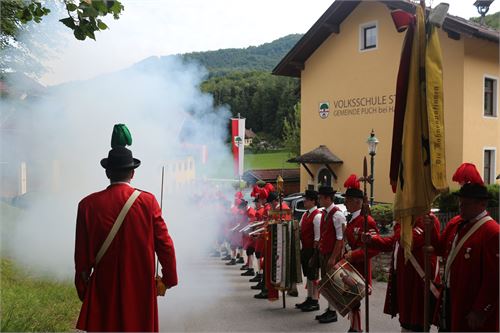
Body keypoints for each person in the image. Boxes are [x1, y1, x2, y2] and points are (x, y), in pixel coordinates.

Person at [74, 143, 178, 332]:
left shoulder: (87, 205)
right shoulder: (148, 202)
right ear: (132, 173)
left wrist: (84, 290)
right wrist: (168, 280)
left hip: (102, 288)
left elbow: (81, 256)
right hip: (141, 289)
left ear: (107, 173)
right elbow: (165, 245)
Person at [434, 163, 499, 332]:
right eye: (460, 203)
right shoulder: (459, 224)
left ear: (482, 205)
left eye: (466, 204)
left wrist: (480, 310)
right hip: (451, 299)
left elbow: (494, 278)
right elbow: (441, 249)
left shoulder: (492, 232)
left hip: (472, 308)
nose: (461, 207)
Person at [363, 212, 440, 332]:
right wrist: (372, 240)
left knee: (417, 320)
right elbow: (393, 242)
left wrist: (399, 225)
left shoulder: (427, 219)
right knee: (406, 320)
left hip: (418, 279)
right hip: (404, 278)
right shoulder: (407, 219)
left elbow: (406, 241)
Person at [342, 174, 379, 332]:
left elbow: (374, 247)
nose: (345, 203)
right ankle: (354, 327)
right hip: (349, 266)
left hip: (360, 267)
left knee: (355, 301)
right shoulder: (351, 220)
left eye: (348, 200)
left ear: (357, 202)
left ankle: (356, 329)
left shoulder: (367, 221)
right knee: (351, 300)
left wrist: (354, 255)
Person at [316, 185, 346, 324]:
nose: (319, 200)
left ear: (328, 198)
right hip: (325, 252)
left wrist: (333, 257)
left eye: (321, 198)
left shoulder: (337, 214)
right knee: (327, 283)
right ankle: (329, 308)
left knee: (332, 283)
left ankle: (333, 312)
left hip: (331, 254)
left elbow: (340, 239)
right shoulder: (325, 213)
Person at [295, 189, 322, 312]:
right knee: (309, 276)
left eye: (306, 199)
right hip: (305, 249)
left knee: (314, 276)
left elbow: (317, 237)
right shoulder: (305, 214)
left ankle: (315, 300)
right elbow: (300, 230)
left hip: (313, 250)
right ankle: (309, 298)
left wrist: (315, 254)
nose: (304, 201)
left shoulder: (317, 215)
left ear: (313, 201)